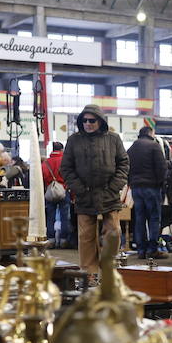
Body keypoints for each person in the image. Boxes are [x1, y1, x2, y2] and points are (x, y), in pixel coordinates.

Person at [59, 104, 129, 272]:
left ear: (100, 121)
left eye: (92, 120)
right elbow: (66, 168)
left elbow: (124, 163)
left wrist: (114, 187)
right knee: (86, 237)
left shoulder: (113, 139)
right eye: (84, 120)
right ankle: (88, 274)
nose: (88, 123)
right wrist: (79, 189)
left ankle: (108, 271)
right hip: (84, 195)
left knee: (113, 234)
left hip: (109, 194)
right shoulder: (74, 140)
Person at [127, 125, 168, 259]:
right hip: (152, 187)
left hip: (136, 188)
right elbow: (162, 167)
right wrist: (160, 184)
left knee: (139, 218)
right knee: (154, 218)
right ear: (150, 133)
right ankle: (152, 249)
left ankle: (141, 250)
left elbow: (126, 167)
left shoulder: (132, 148)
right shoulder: (154, 146)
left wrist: (131, 183)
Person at [42, 142, 73, 248]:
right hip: (63, 191)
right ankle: (64, 240)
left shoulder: (46, 162)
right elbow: (69, 176)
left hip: (50, 192)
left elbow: (43, 176)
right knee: (65, 217)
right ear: (62, 150)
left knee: (50, 217)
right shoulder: (65, 161)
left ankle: (51, 240)